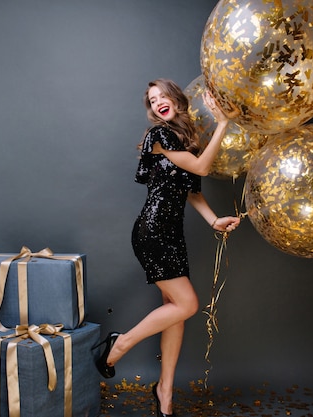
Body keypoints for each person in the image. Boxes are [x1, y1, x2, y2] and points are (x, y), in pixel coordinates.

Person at [93, 78, 241, 417]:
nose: (158, 101)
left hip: (174, 235)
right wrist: (222, 123)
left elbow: (192, 189)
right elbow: (203, 166)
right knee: (187, 304)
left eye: (162, 96)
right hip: (153, 231)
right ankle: (121, 343)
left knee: (175, 311)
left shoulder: (183, 141)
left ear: (177, 99)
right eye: (152, 99)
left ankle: (165, 392)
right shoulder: (158, 137)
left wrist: (214, 220)